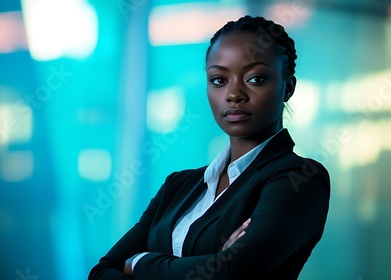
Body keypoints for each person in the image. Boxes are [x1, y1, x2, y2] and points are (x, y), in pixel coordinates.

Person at [89, 15, 330, 279]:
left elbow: (230, 273)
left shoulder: (300, 178)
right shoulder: (178, 185)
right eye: (219, 80)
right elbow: (101, 272)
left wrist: (139, 263)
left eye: (256, 78)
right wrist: (215, 261)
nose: (234, 94)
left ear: (288, 87)